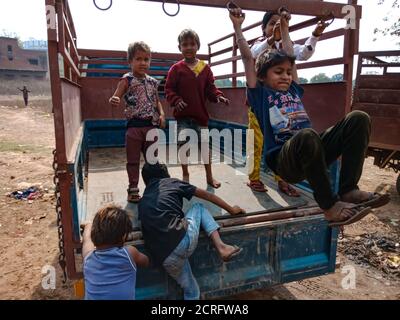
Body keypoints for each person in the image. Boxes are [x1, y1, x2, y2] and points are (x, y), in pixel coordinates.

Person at [229, 7, 390, 227]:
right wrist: (237, 26)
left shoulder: (293, 90)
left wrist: (285, 29)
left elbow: (291, 55)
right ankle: (329, 206)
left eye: (288, 72)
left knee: (358, 119)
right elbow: (248, 58)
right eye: (278, 72)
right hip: (283, 159)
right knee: (307, 135)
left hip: (309, 149)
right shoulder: (260, 94)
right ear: (262, 77)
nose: (286, 76)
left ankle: (348, 190)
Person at [247, 8, 329, 196]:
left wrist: (314, 36)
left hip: (284, 106)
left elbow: (303, 54)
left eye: (279, 22)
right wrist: (272, 39)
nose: (275, 25)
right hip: (261, 106)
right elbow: (252, 54)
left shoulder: (286, 45)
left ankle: (283, 179)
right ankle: (254, 178)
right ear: (263, 28)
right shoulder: (260, 44)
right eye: (271, 23)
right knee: (256, 142)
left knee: (286, 137)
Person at [138, 163, 244, 300]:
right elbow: (207, 196)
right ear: (166, 174)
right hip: (182, 241)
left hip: (166, 258)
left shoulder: (143, 200)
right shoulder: (172, 183)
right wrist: (231, 209)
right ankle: (222, 247)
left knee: (191, 291)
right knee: (198, 207)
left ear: (146, 181)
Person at [165, 29, 230, 188]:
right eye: (184, 44)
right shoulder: (176, 68)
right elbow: (168, 89)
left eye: (192, 44)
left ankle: (209, 177)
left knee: (205, 147)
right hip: (183, 117)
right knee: (183, 146)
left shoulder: (204, 68)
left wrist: (218, 96)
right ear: (179, 47)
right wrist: (176, 99)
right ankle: (185, 174)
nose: (188, 47)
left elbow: (211, 88)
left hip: (200, 116)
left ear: (198, 46)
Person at [109, 41, 166, 203]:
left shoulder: (153, 82)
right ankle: (133, 190)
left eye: (146, 59)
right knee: (133, 161)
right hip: (134, 127)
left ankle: (153, 187)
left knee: (152, 161)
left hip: (151, 127)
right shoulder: (127, 80)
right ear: (130, 61)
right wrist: (114, 99)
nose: (143, 63)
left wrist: (162, 114)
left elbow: (157, 102)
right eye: (138, 59)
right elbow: (117, 95)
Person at [82, 204, 149, 300]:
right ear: (123, 236)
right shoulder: (129, 253)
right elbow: (145, 262)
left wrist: (88, 225)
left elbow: (87, 239)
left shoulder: (88, 258)